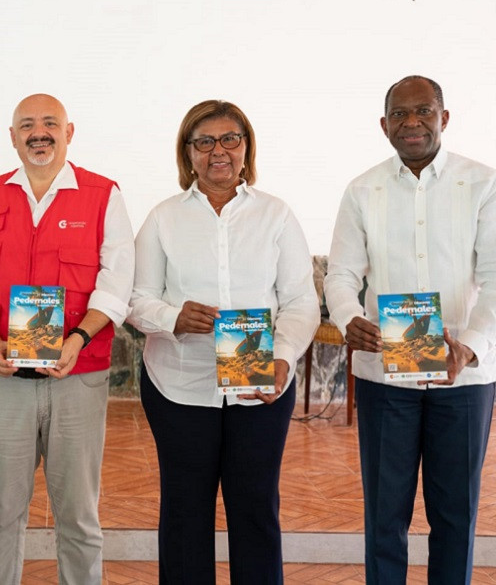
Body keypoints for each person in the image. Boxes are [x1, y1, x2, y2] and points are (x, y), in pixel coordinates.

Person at [0, 93, 135, 585]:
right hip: (2, 378)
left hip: (78, 377)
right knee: (0, 516)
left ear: (70, 132)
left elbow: (117, 285)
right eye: (27, 124)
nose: (39, 132)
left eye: (51, 123)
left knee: (78, 517)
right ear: (12, 137)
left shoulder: (103, 194)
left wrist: (77, 337)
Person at [128, 100, 318, 585]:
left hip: (261, 389)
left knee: (255, 508)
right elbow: (136, 299)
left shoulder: (276, 215)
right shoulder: (163, 218)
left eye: (230, 139)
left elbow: (300, 301)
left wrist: (281, 356)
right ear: (187, 153)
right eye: (204, 141)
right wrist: (174, 317)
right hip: (179, 387)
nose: (219, 151)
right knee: (185, 512)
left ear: (246, 147)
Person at [325, 75, 496, 583]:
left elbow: (493, 279)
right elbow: (341, 274)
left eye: (423, 110)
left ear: (445, 117)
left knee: (455, 516)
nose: (412, 122)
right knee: (384, 518)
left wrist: (470, 349)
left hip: (462, 381)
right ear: (384, 125)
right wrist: (346, 316)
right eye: (399, 114)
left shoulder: (483, 185)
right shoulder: (362, 190)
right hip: (385, 380)